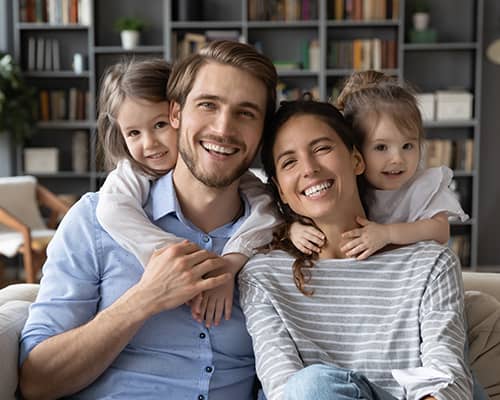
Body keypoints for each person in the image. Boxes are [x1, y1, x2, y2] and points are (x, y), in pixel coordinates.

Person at [18, 40, 278, 400]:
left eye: (246, 113)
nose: (223, 128)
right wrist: (145, 297)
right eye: (207, 105)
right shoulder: (94, 221)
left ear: (262, 133)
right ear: (176, 114)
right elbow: (36, 382)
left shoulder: (279, 237)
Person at [239, 99, 472, 400]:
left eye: (322, 148)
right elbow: (282, 389)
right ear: (280, 189)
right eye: (289, 162)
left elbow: (447, 381)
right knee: (310, 386)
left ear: (356, 161)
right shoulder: (262, 277)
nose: (309, 168)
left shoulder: (430, 264)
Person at [94, 59, 280, 327]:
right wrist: (184, 261)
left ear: (174, 116)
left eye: (159, 125)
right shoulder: (129, 177)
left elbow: (269, 209)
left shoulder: (241, 181)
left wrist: (229, 263)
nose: (150, 144)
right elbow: (111, 211)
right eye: (134, 133)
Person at [288, 71, 467, 259]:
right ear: (355, 154)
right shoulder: (346, 186)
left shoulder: (422, 186)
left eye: (408, 146)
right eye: (381, 147)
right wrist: (295, 229)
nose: (398, 158)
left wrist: (387, 234)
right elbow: (311, 211)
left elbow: (440, 230)